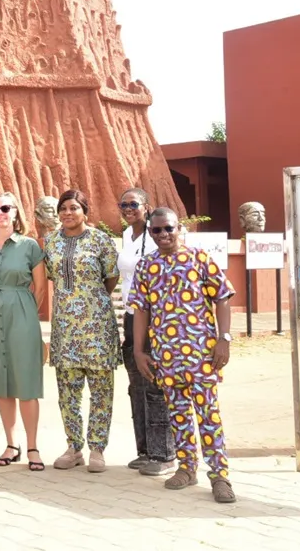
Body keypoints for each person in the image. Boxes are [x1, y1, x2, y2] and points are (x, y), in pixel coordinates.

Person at [131, 207, 237, 504]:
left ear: (180, 228)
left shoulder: (200, 258)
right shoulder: (146, 266)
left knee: (209, 416)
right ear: (150, 233)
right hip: (166, 357)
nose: (163, 235)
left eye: (168, 228)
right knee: (178, 416)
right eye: (156, 230)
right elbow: (141, 310)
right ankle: (187, 468)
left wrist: (223, 339)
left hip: (202, 355)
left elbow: (223, 298)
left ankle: (219, 476)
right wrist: (140, 351)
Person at [42, 188, 120, 473]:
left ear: (85, 211)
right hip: (65, 328)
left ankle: (97, 448)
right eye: (63, 208)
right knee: (68, 391)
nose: (67, 213)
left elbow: (110, 279)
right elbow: (51, 276)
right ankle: (74, 447)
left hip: (97, 326)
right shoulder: (50, 242)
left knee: (101, 390)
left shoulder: (101, 240)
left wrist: (90, 301)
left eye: (74, 208)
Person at [0, 193, 46, 472]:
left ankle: (33, 446)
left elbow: (39, 287)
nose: (1, 213)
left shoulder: (29, 246)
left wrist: (25, 312)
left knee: (26, 382)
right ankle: (11, 444)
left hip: (22, 314)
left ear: (16, 212)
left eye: (6, 208)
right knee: (1, 381)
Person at [116, 188, 174, 476]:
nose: (128, 209)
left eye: (134, 204)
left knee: (155, 385)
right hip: (131, 315)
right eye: (124, 204)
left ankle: (165, 454)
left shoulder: (157, 233)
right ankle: (146, 450)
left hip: (155, 319)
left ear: (146, 206)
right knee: (136, 385)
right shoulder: (128, 236)